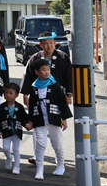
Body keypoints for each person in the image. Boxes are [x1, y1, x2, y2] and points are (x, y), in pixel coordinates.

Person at [20, 31, 73, 166]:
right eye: (46, 43)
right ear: (40, 45)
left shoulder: (63, 57)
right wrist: (25, 94)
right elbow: (28, 76)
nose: (49, 46)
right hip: (38, 96)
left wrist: (69, 94)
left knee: (57, 126)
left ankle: (59, 156)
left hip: (57, 96)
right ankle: (37, 155)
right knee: (37, 124)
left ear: (55, 43)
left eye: (51, 43)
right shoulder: (35, 58)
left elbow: (69, 76)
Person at [28, 59, 72, 180]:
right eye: (43, 70)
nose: (47, 72)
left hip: (54, 118)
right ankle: (39, 169)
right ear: (37, 72)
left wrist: (64, 119)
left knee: (57, 143)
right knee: (40, 143)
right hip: (39, 118)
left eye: (48, 69)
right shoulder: (34, 87)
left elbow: (62, 102)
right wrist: (30, 120)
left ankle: (61, 165)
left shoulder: (55, 85)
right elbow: (32, 105)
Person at [0, 82, 32, 175]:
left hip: (16, 131)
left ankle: (17, 166)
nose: (8, 95)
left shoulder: (19, 107)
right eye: (6, 93)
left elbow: (23, 117)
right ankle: (9, 158)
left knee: (16, 150)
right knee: (6, 148)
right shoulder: (2, 107)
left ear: (17, 95)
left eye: (11, 93)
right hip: (6, 130)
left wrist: (27, 124)